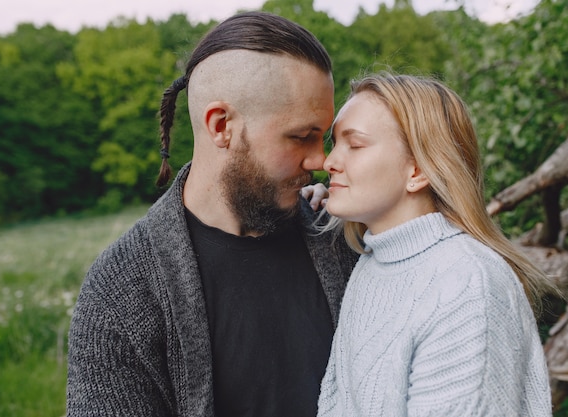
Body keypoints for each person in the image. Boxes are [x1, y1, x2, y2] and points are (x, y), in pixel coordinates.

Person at [66, 11, 358, 417]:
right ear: (221, 125)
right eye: (301, 136)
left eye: (322, 137)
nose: (320, 159)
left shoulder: (339, 240)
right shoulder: (123, 290)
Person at [316, 73, 555, 416]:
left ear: (417, 171)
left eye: (354, 145)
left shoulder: (467, 283)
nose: (329, 163)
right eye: (334, 144)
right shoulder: (373, 265)